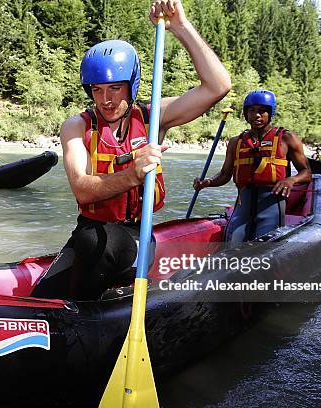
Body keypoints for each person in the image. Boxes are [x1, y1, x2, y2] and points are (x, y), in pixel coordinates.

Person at [42, 0, 231, 300]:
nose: (105, 99)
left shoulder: (154, 117)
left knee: (95, 243)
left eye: (114, 88)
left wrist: (180, 27)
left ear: (131, 85)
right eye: (97, 90)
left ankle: (89, 313)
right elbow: (83, 190)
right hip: (90, 231)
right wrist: (134, 173)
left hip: (135, 234)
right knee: (50, 285)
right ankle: (77, 309)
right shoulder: (75, 127)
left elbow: (217, 86)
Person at [193, 90, 311, 244]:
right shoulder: (236, 141)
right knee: (233, 243)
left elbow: (307, 173)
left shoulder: (286, 138)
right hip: (244, 204)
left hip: (272, 204)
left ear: (270, 113)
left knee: (264, 247)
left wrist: (291, 180)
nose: (256, 115)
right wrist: (207, 182)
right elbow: (224, 175)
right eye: (252, 110)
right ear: (246, 113)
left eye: (262, 111)